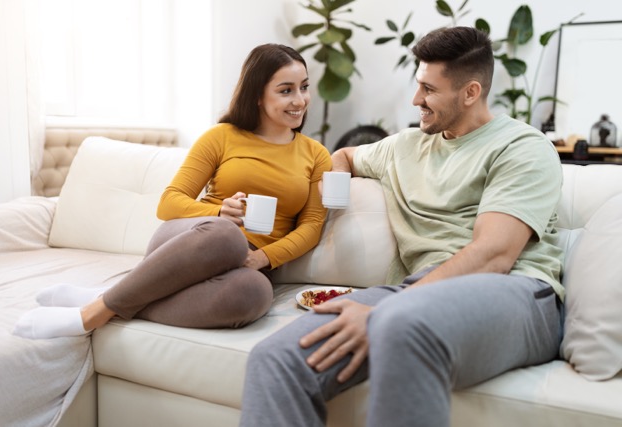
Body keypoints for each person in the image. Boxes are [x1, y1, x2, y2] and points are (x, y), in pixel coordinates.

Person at [239, 27, 564, 427]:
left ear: (470, 93)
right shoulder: (405, 146)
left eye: (428, 89)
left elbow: (494, 255)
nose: (415, 100)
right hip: (415, 295)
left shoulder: (522, 147)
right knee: (276, 359)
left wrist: (388, 309)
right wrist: (336, 188)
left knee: (400, 323)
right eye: (418, 86)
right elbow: (343, 154)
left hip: (518, 293)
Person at [13, 43, 332, 340]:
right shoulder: (222, 137)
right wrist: (219, 212)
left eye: (304, 87)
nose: (300, 100)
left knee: (255, 294)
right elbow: (169, 204)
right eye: (285, 90)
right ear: (258, 95)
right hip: (194, 240)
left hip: (249, 263)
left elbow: (311, 226)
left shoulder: (316, 155)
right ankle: (90, 315)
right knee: (227, 236)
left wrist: (263, 257)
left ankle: (110, 295)